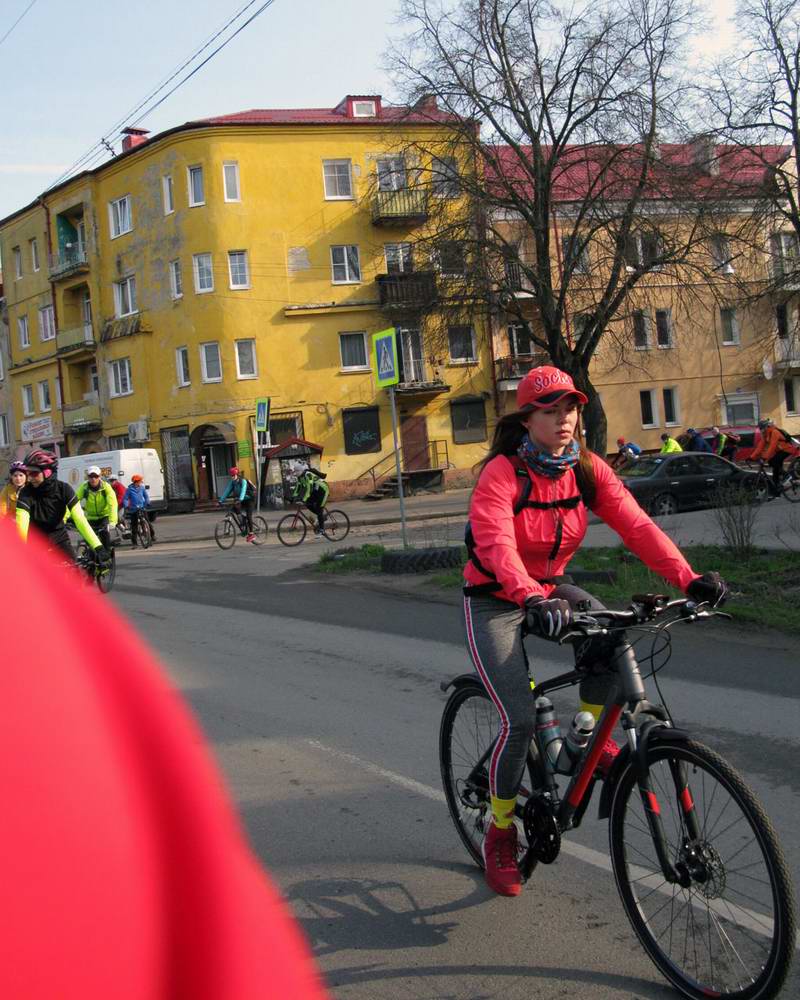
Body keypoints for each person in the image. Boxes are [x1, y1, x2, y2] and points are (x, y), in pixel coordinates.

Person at [0, 518, 328, 1000]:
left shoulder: (38, 562)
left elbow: (83, 520)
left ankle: (282, 524)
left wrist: (100, 539)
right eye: (30, 475)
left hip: (62, 545)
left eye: (41, 474)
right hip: (38, 560)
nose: (36, 479)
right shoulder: (23, 552)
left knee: (86, 551)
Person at [462, 365, 727, 897]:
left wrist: (689, 578)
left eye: (571, 408)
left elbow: (637, 525)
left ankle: (586, 732)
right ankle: (500, 829)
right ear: (527, 418)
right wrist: (530, 597)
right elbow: (496, 545)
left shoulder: (586, 469)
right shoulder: (502, 474)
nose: (564, 419)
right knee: (517, 719)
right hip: (495, 599)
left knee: (609, 634)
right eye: (550, 409)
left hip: (550, 589)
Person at [15, 449, 109, 566]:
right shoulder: (26, 493)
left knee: (75, 575)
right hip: (36, 541)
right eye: (28, 473)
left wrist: (98, 546)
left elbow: (80, 520)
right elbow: (21, 523)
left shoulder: (64, 489)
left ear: (48, 472)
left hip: (59, 538)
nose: (29, 478)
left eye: (34, 473)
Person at [76, 466, 119, 550]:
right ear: (88, 477)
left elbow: (112, 504)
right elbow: (74, 501)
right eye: (91, 477)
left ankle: (106, 556)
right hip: (90, 517)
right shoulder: (84, 487)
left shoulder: (106, 487)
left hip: (104, 517)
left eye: (96, 476)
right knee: (88, 540)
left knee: (105, 536)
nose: (93, 479)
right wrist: (65, 518)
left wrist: (112, 521)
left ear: (99, 476)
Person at [751, 417, 795, 495]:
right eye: (760, 428)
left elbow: (772, 446)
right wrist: (752, 457)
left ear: (766, 427)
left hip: (787, 449)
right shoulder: (765, 435)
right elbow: (760, 446)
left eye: (762, 428)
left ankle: (787, 476)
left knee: (773, 461)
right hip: (780, 451)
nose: (761, 430)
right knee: (775, 470)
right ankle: (777, 491)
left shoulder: (774, 432)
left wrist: (764, 457)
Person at [219, 466, 257, 542]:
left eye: (233, 475)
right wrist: (220, 500)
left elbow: (243, 490)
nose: (232, 477)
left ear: (237, 474)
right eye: (231, 476)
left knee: (249, 515)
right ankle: (243, 526)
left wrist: (240, 499)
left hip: (250, 499)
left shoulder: (243, 481)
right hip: (241, 500)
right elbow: (227, 491)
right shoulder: (232, 483)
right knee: (235, 509)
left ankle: (251, 534)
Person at [291, 465, 330, 534]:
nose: (295, 473)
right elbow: (298, 487)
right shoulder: (300, 478)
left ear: (300, 471)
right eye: (295, 472)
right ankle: (321, 517)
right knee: (308, 504)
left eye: (296, 472)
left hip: (323, 491)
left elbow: (309, 488)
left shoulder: (308, 475)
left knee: (319, 508)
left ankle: (322, 529)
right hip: (315, 492)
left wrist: (304, 499)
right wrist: (293, 497)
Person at [122, 474, 151, 547]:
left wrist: (147, 502)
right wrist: (126, 505)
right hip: (133, 509)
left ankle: (151, 537)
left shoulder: (142, 488)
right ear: (135, 482)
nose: (140, 482)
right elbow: (125, 498)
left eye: (140, 481)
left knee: (147, 522)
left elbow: (146, 496)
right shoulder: (129, 489)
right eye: (139, 481)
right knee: (134, 526)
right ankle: (134, 543)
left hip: (142, 507)